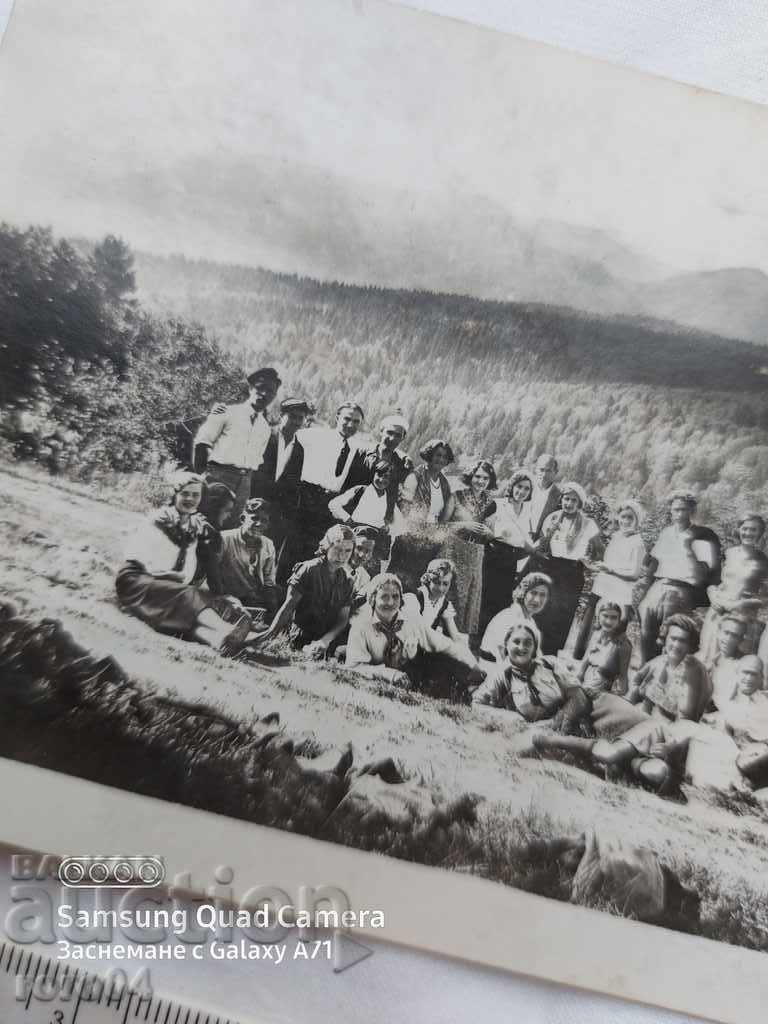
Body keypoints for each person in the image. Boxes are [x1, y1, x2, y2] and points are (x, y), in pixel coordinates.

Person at [535, 615, 712, 792]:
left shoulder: (693, 671)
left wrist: (669, 747)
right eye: (673, 638)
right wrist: (625, 715)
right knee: (614, 747)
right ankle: (555, 740)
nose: (676, 645)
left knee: (656, 772)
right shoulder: (658, 663)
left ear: (690, 645)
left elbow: (686, 724)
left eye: (682, 641)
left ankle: (605, 757)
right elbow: (631, 696)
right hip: (642, 730)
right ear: (665, 638)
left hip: (668, 741)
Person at [115, 471, 251, 655]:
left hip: (163, 585)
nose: (190, 499)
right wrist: (170, 577)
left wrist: (177, 578)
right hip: (136, 579)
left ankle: (218, 641)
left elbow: (187, 568)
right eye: (185, 494)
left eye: (195, 495)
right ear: (174, 495)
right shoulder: (159, 519)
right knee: (187, 595)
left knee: (183, 610)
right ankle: (226, 630)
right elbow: (138, 557)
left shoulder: (193, 527)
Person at [345, 573, 485, 699]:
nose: (391, 603)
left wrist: (473, 665)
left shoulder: (411, 622)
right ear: (372, 598)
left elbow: (445, 645)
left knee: (441, 662)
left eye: (395, 596)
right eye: (384, 597)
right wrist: (387, 674)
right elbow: (353, 667)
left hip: (413, 680)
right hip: (381, 686)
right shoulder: (361, 628)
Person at [638, 492, 721, 665]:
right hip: (659, 584)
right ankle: (646, 669)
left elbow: (710, 569)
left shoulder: (701, 534)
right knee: (646, 628)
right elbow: (654, 564)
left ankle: (666, 672)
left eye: (683, 510)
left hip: (682, 588)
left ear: (691, 510)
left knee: (669, 633)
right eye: (675, 510)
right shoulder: (666, 533)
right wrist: (645, 588)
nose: (678, 514)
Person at [251, 524, 355, 658]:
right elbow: (288, 606)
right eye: (337, 549)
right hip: (301, 637)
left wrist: (325, 641)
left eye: (348, 551)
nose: (342, 556)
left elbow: (342, 619)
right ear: (327, 546)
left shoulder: (347, 580)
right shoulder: (309, 569)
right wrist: (269, 635)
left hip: (326, 640)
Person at [193, 367, 281, 521]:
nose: (264, 394)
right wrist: (201, 479)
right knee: (204, 522)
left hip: (244, 485)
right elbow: (202, 444)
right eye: (260, 388)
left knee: (229, 530)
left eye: (270, 391)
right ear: (250, 388)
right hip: (218, 477)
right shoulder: (227, 412)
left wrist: (246, 486)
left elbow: (256, 463)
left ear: (274, 396)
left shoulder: (265, 428)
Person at [529, 482, 602, 656]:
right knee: (542, 609)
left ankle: (550, 654)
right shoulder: (553, 518)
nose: (569, 503)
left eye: (573, 501)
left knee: (562, 614)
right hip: (550, 567)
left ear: (580, 503)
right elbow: (542, 542)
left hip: (572, 572)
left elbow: (599, 551)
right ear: (562, 499)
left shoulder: (588, 524)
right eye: (566, 499)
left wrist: (588, 562)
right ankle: (533, 648)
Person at [472, 623, 588, 727]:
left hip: (566, 726)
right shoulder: (502, 675)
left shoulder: (550, 664)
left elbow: (579, 696)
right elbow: (476, 705)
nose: (522, 647)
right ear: (507, 644)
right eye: (516, 642)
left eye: (528, 643)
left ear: (534, 648)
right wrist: (510, 717)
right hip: (531, 734)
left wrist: (555, 722)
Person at [572, 499, 646, 659]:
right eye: (623, 517)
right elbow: (609, 562)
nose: (625, 521)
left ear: (637, 520)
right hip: (602, 587)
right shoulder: (616, 536)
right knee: (588, 627)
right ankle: (579, 661)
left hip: (620, 593)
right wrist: (593, 566)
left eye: (630, 518)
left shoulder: (638, 542)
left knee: (612, 634)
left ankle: (602, 668)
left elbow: (634, 574)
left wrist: (610, 570)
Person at [250, 397, 311, 581]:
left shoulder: (299, 449)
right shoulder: (264, 435)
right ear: (281, 415)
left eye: (300, 418)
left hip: (275, 514)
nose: (296, 422)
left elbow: (291, 485)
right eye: (292, 416)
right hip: (252, 503)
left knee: (265, 554)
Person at [295, 402, 367, 556]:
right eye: (347, 419)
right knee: (295, 542)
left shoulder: (355, 446)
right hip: (308, 495)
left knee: (318, 547)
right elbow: (291, 436)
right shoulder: (317, 435)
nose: (350, 424)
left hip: (330, 502)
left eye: (356, 422)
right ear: (337, 418)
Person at [699, 513, 768, 664]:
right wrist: (712, 596)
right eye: (745, 528)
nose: (748, 533)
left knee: (730, 663)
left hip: (742, 618)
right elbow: (712, 581)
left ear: (761, 532)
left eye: (754, 530)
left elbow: (765, 598)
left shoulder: (764, 561)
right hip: (717, 613)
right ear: (739, 529)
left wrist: (741, 604)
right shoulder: (728, 553)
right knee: (708, 659)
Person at [442, 459, 498, 644]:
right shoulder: (456, 496)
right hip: (452, 549)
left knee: (466, 599)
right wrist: (463, 524)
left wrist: (490, 533)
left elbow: (491, 534)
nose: (481, 481)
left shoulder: (491, 503)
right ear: (470, 477)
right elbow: (441, 525)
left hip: (474, 553)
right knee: (448, 592)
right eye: (477, 476)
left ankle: (457, 643)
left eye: (485, 478)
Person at [482, 469, 537, 630]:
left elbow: (526, 539)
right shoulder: (498, 504)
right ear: (512, 486)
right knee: (486, 596)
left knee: (503, 599)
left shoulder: (528, 511)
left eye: (527, 489)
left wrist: (532, 550)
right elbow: (485, 531)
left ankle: (491, 635)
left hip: (511, 559)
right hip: (493, 554)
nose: (522, 491)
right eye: (519, 486)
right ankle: (476, 639)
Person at [216, 499, 281, 625]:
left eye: (264, 521)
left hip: (253, 600)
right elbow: (211, 576)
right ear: (242, 519)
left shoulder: (268, 544)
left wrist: (272, 608)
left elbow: (268, 581)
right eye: (254, 518)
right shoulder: (223, 539)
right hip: (227, 598)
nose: (259, 524)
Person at [328, 459, 404, 556]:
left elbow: (401, 526)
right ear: (374, 474)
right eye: (379, 475)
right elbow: (333, 504)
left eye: (386, 477)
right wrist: (346, 518)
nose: (381, 480)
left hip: (373, 545)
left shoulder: (390, 501)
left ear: (390, 480)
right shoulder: (360, 490)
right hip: (353, 539)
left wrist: (388, 529)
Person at [345, 413, 415, 509]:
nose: (392, 438)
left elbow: (401, 495)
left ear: (403, 438)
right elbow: (347, 482)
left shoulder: (402, 464)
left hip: (380, 515)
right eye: (389, 432)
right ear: (381, 431)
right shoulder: (362, 454)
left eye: (398, 435)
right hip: (353, 510)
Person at [480, 571, 552, 662]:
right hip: (492, 670)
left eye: (542, 595)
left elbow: (536, 655)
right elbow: (504, 656)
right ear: (523, 593)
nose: (537, 600)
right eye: (533, 593)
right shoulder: (510, 616)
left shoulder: (530, 621)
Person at [576, 600, 633, 698]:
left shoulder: (622, 645)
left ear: (619, 620)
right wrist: (576, 683)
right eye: (605, 616)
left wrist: (614, 696)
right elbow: (582, 668)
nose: (608, 621)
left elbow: (623, 679)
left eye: (613, 618)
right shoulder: (596, 635)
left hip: (598, 695)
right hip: (581, 689)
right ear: (598, 616)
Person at [403, 558, 463, 641]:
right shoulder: (413, 598)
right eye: (436, 582)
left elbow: (455, 636)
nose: (440, 589)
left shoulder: (444, 604)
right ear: (428, 579)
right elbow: (417, 634)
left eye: (445, 584)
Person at [400, 438, 456, 525]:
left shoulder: (444, 483)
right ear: (429, 455)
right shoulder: (415, 477)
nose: (441, 460)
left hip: (434, 530)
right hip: (412, 528)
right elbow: (404, 510)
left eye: (445, 457)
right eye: (438, 455)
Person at [705, 614, 748, 711]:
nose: (728, 639)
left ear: (741, 640)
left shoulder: (742, 665)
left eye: (734, 635)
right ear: (719, 633)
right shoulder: (712, 661)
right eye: (726, 633)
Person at [529, 454, 562, 540]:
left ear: (555, 472)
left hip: (540, 544)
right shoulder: (525, 488)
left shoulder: (560, 497)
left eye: (548, 471)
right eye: (541, 470)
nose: (544, 474)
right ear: (536, 469)